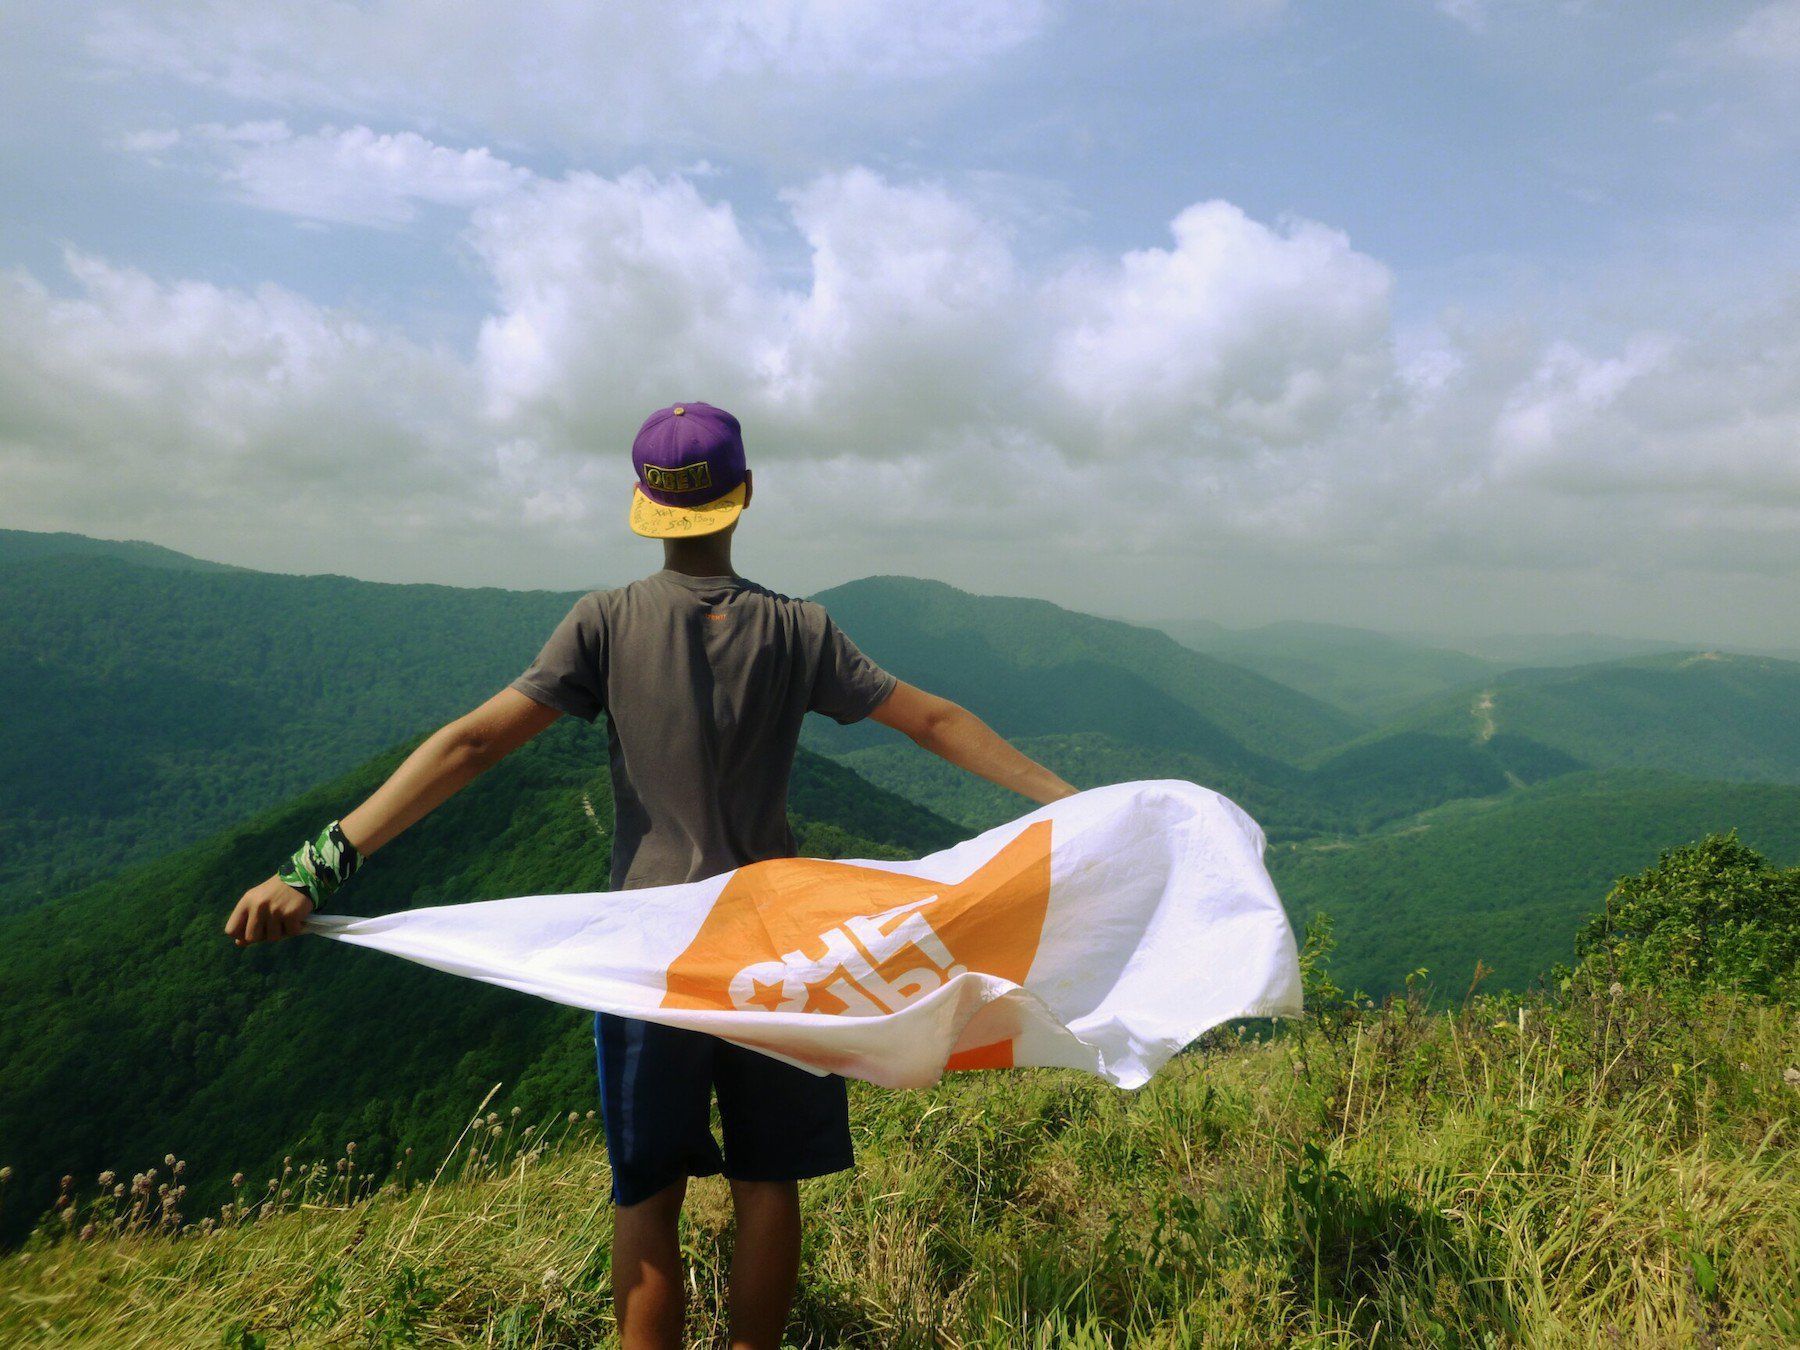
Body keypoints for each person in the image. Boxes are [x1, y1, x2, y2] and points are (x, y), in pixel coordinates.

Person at [225, 401, 1078, 1350]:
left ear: (643, 503)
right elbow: (934, 721)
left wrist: (319, 864)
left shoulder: (603, 623)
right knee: (768, 1185)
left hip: (651, 961)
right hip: (779, 954)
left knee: (647, 1196)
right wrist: (1069, 804)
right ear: (743, 495)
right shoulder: (799, 629)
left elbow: (470, 745)